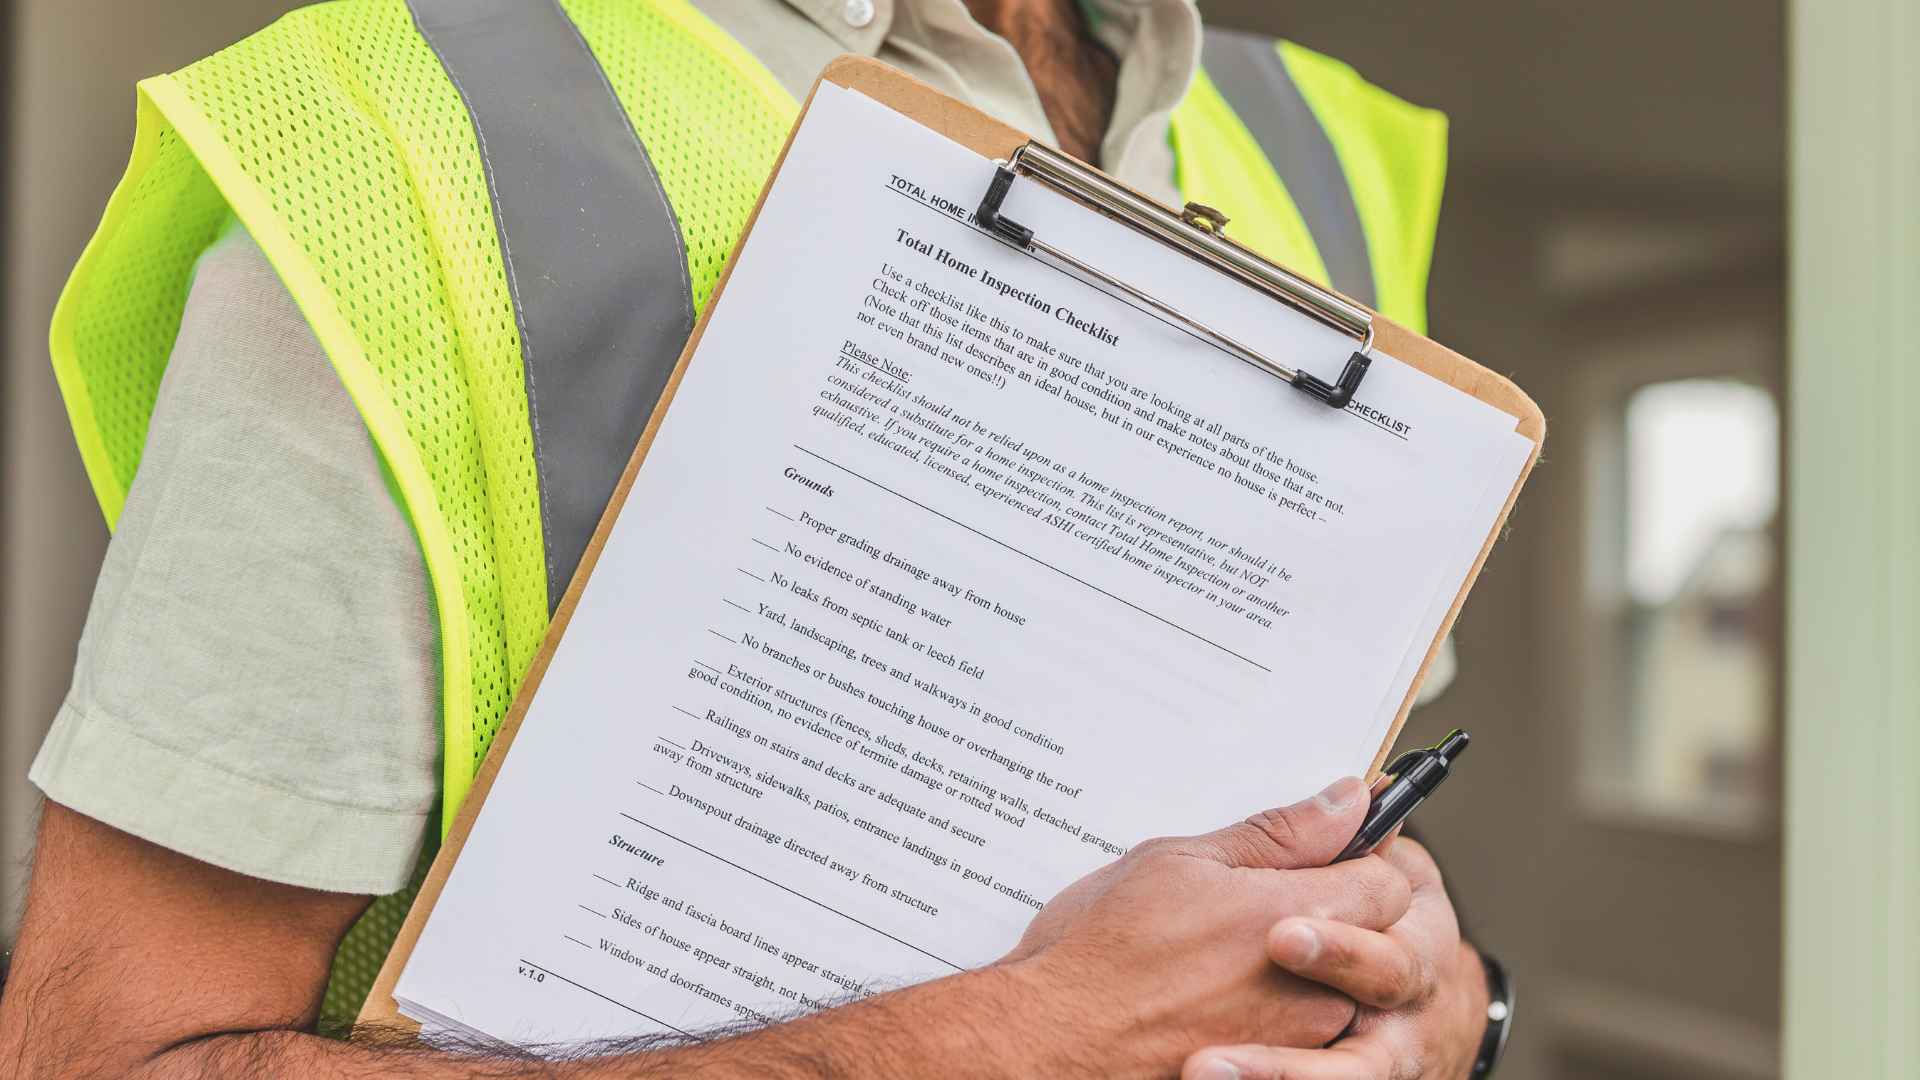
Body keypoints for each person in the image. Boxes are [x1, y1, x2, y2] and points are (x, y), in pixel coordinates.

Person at [0, 0, 1498, 1075]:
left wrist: (1444, 1010)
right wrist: (1008, 1045)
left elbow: (1321, 832)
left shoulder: (1311, 143)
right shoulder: (402, 144)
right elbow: (114, 1058)